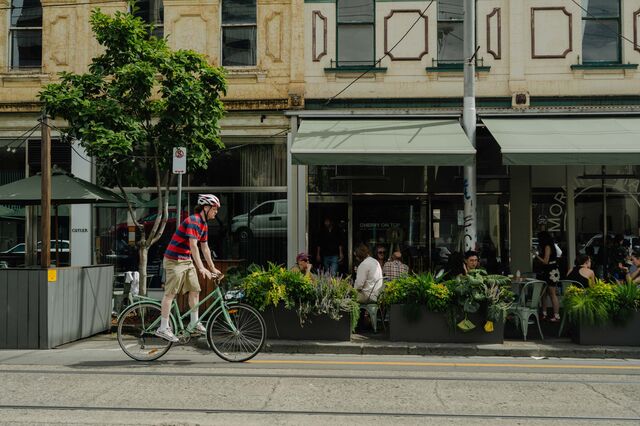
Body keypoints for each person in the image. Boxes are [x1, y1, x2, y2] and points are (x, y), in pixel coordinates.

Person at [155, 194, 223, 342]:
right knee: (170, 294)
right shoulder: (193, 221)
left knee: (195, 290)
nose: (216, 211)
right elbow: (193, 246)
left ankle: (193, 322)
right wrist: (201, 268)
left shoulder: (203, 225)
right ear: (206, 208)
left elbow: (205, 247)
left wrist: (212, 268)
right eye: (214, 208)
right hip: (174, 260)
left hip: (186, 260)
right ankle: (163, 327)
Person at [535, 231, 560, 322]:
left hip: (550, 271)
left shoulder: (547, 247)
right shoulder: (550, 246)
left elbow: (545, 261)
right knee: (546, 293)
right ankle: (548, 313)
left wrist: (536, 255)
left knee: (550, 293)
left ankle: (555, 315)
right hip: (550, 269)